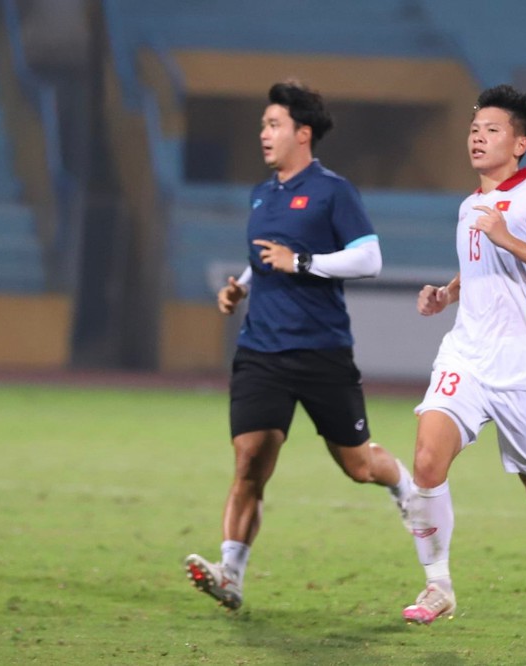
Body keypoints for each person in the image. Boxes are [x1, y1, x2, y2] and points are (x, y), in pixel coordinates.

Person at [183, 80, 413, 611]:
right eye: (263, 124)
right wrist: (242, 282)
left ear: (302, 134)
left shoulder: (334, 191)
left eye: (272, 124)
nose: (263, 133)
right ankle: (231, 575)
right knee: (249, 461)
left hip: (321, 350)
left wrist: (301, 263)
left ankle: (401, 482)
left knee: (358, 466)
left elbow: (369, 259)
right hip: (261, 349)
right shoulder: (262, 193)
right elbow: (267, 255)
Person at [400, 84, 526, 637]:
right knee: (426, 461)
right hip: (467, 357)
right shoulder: (470, 206)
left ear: (520, 143)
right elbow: (483, 266)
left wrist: (508, 237)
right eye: (473, 129)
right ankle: (437, 584)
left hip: (525, 370)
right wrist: (448, 292)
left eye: (491, 130)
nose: (477, 138)